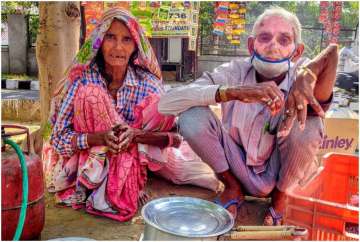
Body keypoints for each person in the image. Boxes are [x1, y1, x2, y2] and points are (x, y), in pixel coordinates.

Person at [158, 7, 338, 225]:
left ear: (297, 52)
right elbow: (166, 103)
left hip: (279, 173)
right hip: (237, 166)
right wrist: (232, 92)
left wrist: (314, 67)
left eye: (284, 40)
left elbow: (331, 58)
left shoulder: (303, 79)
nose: (273, 46)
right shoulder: (234, 72)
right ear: (251, 46)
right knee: (192, 116)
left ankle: (281, 199)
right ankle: (232, 187)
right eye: (265, 38)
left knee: (309, 124)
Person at [43, 8, 180, 222]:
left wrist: (135, 134)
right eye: (110, 37)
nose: (118, 47)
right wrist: (97, 138)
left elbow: (174, 136)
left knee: (186, 166)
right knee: (91, 95)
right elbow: (58, 140)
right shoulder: (83, 80)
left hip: (132, 158)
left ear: (135, 47)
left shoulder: (148, 85)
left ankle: (120, 185)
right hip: (87, 160)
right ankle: (99, 186)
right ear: (99, 42)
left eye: (126, 39)